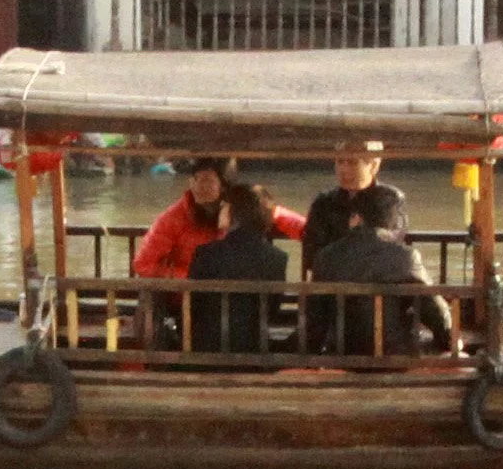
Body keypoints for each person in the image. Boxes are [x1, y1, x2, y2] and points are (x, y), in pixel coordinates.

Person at [305, 184, 454, 358]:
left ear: (356, 218)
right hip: (395, 356)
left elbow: (316, 319)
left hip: (341, 355)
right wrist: (448, 338)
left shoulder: (326, 256)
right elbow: (434, 309)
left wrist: (312, 352)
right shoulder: (405, 257)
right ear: (394, 221)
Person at [133, 155, 305, 281]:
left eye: (208, 180)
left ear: (224, 185)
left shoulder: (242, 205)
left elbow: (287, 220)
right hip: (184, 299)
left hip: (229, 295)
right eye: (195, 180)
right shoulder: (173, 218)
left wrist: (316, 237)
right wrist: (192, 277)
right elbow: (143, 264)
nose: (199, 186)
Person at [186, 182, 290, 354]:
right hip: (254, 351)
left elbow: (193, 307)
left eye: (224, 205)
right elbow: (272, 311)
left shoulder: (205, 253)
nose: (220, 209)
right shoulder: (277, 258)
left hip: (205, 351)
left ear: (234, 211)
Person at [302, 140, 409, 267]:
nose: (344, 169)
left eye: (353, 163)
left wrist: (347, 239)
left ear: (373, 166)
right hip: (332, 277)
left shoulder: (389, 199)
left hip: (374, 279)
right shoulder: (324, 202)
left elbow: (384, 248)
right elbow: (312, 253)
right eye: (340, 162)